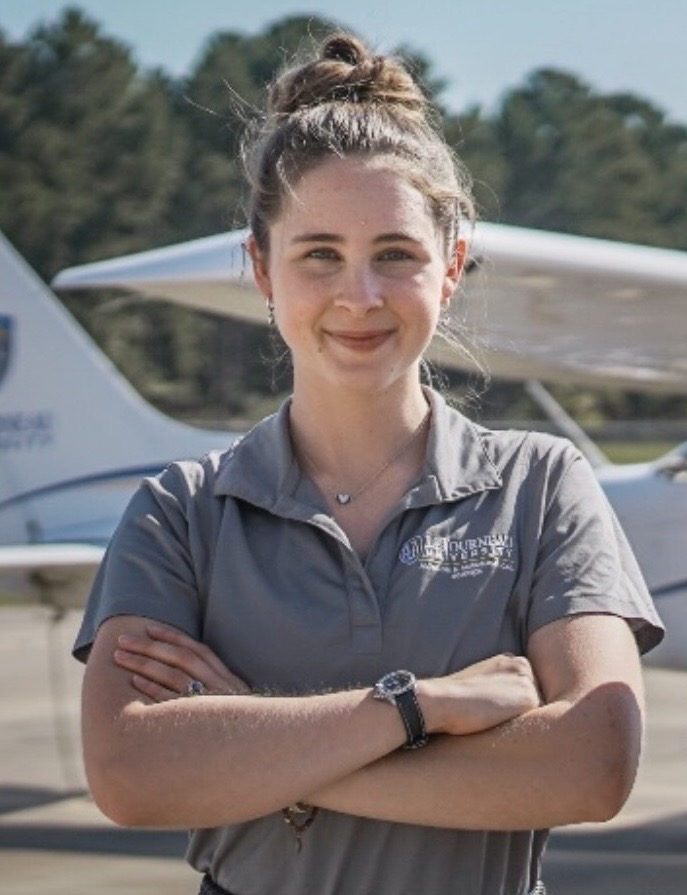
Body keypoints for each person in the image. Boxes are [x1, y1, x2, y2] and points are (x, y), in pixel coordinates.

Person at [74, 33, 664, 895]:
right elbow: (129, 773)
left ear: (450, 267)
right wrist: (421, 707)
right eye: (319, 254)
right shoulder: (182, 510)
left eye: (396, 254)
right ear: (261, 270)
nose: (360, 296)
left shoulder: (540, 484)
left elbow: (595, 760)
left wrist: (259, 750)